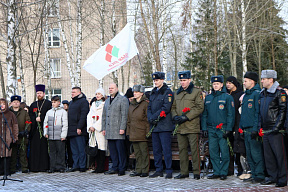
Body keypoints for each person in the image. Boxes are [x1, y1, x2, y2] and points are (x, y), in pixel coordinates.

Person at [171, 71, 204, 180]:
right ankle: (184, 171)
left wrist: (187, 117)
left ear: (189, 80)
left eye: (184, 80)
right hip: (180, 127)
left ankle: (196, 172)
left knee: (194, 150)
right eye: (181, 80)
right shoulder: (177, 93)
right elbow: (173, 107)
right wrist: (175, 116)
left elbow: (199, 107)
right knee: (182, 150)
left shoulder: (196, 92)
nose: (182, 82)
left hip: (191, 126)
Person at [202, 75, 235, 180]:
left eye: (217, 84)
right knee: (213, 151)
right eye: (214, 84)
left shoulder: (227, 97)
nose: (215, 86)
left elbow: (231, 114)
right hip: (211, 128)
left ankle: (223, 172)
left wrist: (229, 129)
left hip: (222, 128)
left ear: (221, 85)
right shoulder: (208, 98)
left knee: (224, 151)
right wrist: (204, 128)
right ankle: (216, 171)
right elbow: (204, 114)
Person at [259, 70, 287, 187]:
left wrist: (277, 126)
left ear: (271, 80)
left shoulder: (279, 93)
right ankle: (272, 176)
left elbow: (283, 111)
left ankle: (282, 178)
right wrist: (259, 126)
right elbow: (260, 111)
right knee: (268, 155)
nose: (261, 81)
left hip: (275, 129)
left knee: (279, 155)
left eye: (263, 79)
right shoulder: (262, 93)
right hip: (266, 129)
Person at [147, 72, 174, 179]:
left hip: (164, 125)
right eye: (154, 80)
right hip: (154, 126)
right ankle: (159, 169)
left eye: (157, 80)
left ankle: (169, 170)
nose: (155, 82)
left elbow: (166, 107)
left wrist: (154, 117)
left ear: (162, 80)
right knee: (156, 149)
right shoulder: (153, 92)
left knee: (166, 149)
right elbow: (149, 107)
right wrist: (150, 117)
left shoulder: (167, 92)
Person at [239, 72, 265, 183]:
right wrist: (240, 127)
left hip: (252, 129)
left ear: (252, 81)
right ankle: (253, 174)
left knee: (256, 153)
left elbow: (257, 113)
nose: (243, 83)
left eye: (245, 81)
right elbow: (243, 113)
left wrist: (255, 128)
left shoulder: (256, 94)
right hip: (245, 129)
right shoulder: (246, 95)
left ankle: (259, 175)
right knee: (249, 154)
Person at [102, 83, 129, 176]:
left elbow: (124, 115)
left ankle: (122, 167)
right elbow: (104, 115)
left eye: (112, 88)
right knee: (112, 151)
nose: (110, 90)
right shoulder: (107, 101)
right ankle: (115, 167)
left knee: (120, 150)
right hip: (109, 129)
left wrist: (122, 128)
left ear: (117, 88)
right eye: (109, 88)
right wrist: (103, 128)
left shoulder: (123, 99)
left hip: (118, 129)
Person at [126, 85, 150, 177]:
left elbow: (147, 119)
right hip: (133, 131)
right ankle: (138, 169)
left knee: (143, 152)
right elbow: (128, 120)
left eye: (137, 92)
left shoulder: (145, 103)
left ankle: (145, 170)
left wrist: (148, 132)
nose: (135, 94)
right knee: (137, 153)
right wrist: (128, 132)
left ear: (141, 93)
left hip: (142, 131)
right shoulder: (132, 103)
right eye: (134, 92)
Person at [29, 84, 52, 172]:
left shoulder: (48, 103)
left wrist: (41, 119)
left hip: (45, 129)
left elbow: (50, 115)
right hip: (35, 131)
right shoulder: (33, 104)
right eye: (37, 93)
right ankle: (34, 167)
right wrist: (35, 119)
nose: (39, 95)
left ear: (44, 93)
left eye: (40, 93)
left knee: (44, 149)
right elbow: (30, 116)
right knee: (35, 149)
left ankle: (44, 166)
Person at [67, 87, 89, 172]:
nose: (72, 93)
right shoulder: (72, 102)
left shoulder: (83, 102)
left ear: (79, 93)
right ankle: (75, 165)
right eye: (71, 92)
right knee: (74, 150)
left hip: (79, 129)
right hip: (71, 130)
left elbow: (83, 115)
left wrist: (79, 127)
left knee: (81, 149)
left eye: (74, 92)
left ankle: (82, 166)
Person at [226, 76, 245, 177]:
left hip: (237, 123)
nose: (228, 85)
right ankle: (230, 169)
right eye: (227, 83)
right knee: (229, 148)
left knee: (238, 147)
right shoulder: (226, 94)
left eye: (230, 83)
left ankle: (240, 168)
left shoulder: (240, 94)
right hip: (228, 124)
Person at [44, 95, 68, 173]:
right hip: (51, 136)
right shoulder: (49, 112)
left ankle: (61, 166)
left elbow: (65, 124)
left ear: (59, 102)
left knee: (60, 152)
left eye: (55, 102)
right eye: (52, 102)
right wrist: (46, 132)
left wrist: (63, 135)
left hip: (59, 135)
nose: (53, 104)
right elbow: (46, 123)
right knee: (52, 152)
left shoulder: (63, 112)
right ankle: (52, 167)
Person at [87, 88, 108, 173]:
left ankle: (101, 167)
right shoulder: (93, 104)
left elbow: (103, 117)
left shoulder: (104, 104)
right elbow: (89, 116)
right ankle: (96, 166)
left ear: (102, 95)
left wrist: (95, 126)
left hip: (100, 129)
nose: (97, 96)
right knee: (94, 148)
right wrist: (90, 126)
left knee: (101, 148)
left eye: (99, 94)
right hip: (93, 130)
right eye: (96, 94)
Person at [9, 95, 31, 174]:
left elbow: (28, 122)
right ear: (11, 103)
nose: (16, 103)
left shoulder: (24, 112)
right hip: (12, 136)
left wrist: (26, 131)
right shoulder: (9, 112)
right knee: (13, 153)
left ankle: (24, 167)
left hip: (22, 135)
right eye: (14, 102)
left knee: (23, 152)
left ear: (19, 103)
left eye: (17, 102)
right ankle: (12, 168)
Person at [0, 98, 18, 175]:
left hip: (7, 137)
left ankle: (6, 170)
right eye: (1, 104)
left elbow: (15, 126)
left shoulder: (11, 114)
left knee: (7, 154)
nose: (2, 106)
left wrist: (14, 137)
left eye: (3, 104)